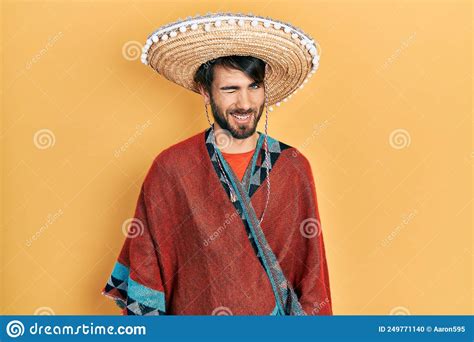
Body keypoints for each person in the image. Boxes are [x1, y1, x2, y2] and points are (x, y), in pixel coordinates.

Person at [102, 12, 332, 315]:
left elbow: (312, 273)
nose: (245, 103)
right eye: (230, 89)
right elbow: (148, 264)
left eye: (254, 87)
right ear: (205, 92)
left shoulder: (292, 166)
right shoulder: (172, 168)